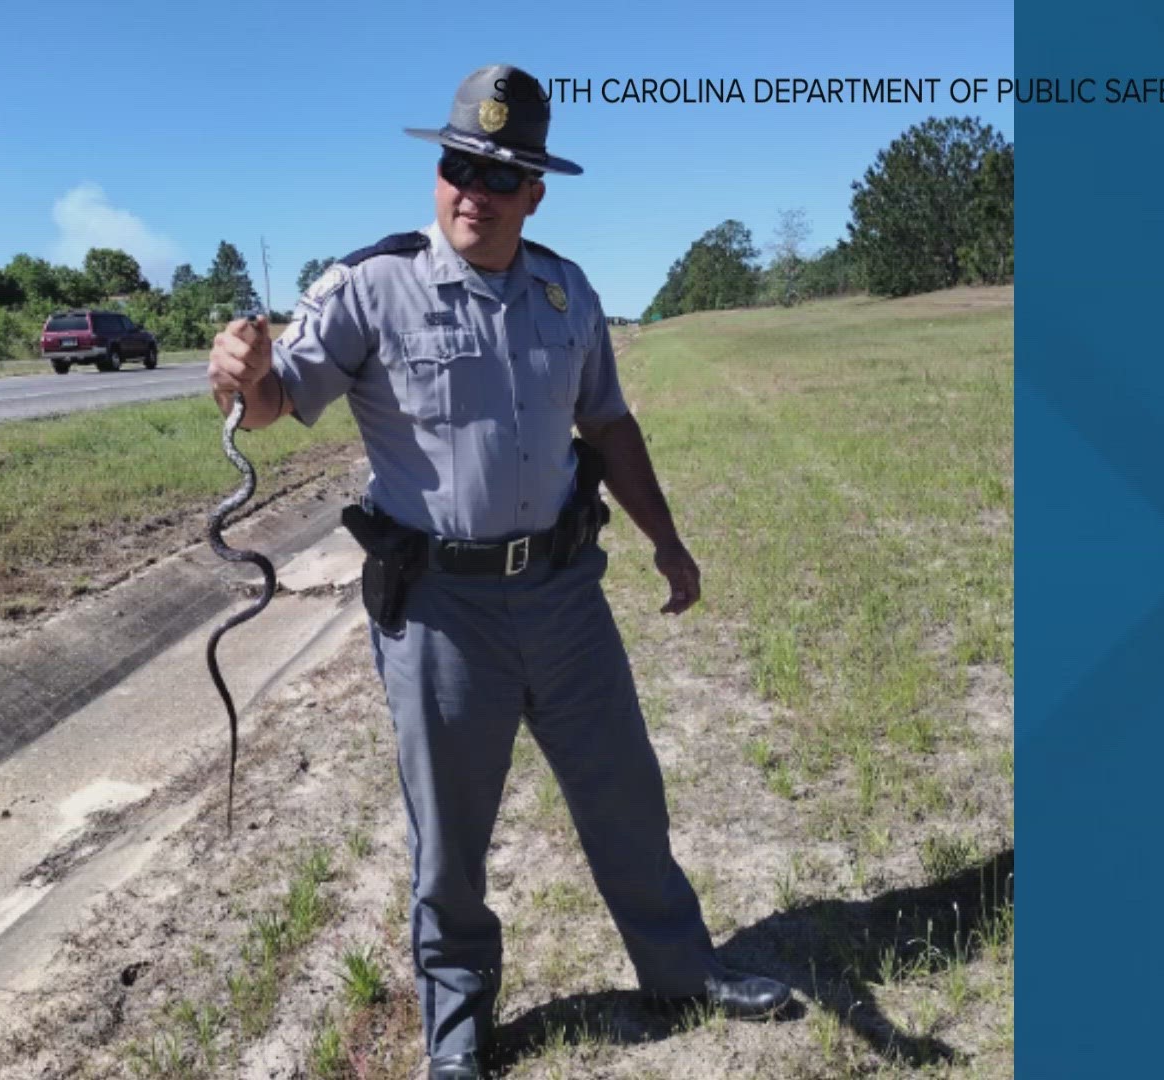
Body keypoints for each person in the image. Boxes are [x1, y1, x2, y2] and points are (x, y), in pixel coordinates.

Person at [208, 64, 789, 1080]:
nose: (472, 186)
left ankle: (683, 970)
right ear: (438, 172)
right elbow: (270, 401)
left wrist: (666, 538)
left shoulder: (568, 290)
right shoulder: (370, 287)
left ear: (535, 192)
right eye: (456, 164)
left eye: (498, 171)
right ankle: (460, 1031)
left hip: (565, 594)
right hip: (440, 611)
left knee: (625, 797)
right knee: (452, 838)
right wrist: (242, 371)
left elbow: (606, 421)